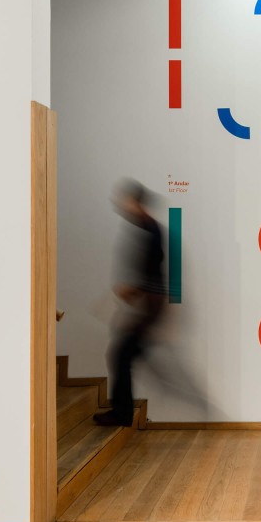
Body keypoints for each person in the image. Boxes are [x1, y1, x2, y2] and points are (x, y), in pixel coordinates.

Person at [94, 179, 164, 427]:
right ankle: (122, 412)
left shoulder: (151, 231)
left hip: (150, 312)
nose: (120, 206)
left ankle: (122, 413)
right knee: (122, 356)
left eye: (124, 201)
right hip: (149, 312)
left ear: (135, 202)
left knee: (121, 356)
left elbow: (154, 277)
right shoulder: (148, 229)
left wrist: (131, 291)